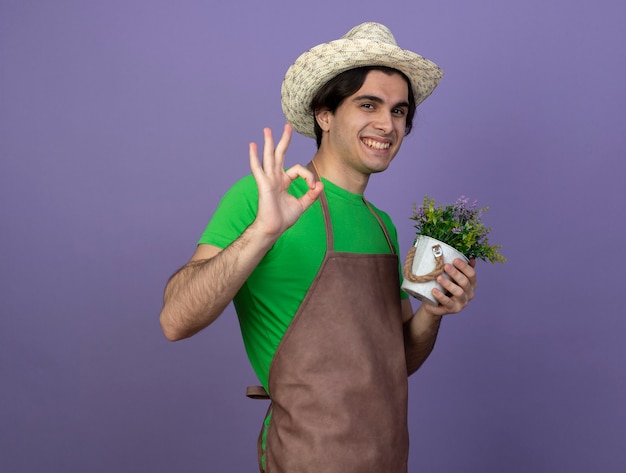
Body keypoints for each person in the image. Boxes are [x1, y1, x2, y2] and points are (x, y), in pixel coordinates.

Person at [160, 22, 477, 473]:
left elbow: (396, 362)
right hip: (307, 459)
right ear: (324, 115)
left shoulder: (382, 226)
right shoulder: (263, 197)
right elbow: (174, 320)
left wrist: (433, 309)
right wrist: (262, 232)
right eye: (368, 104)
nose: (387, 124)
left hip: (388, 459)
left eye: (399, 111)